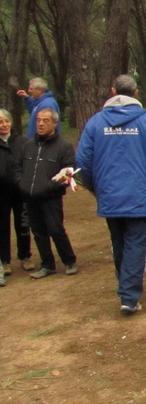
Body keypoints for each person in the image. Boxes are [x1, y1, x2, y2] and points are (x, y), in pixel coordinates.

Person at [76, 75, 146, 315]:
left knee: (118, 241)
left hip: (109, 193)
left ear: (112, 91)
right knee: (135, 243)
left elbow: (82, 162)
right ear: (136, 93)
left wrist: (93, 186)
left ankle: (126, 288)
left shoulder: (95, 123)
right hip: (139, 193)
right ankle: (129, 296)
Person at [14, 108, 77, 279]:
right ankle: (47, 265)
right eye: (38, 120)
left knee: (56, 229)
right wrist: (22, 183)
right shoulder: (28, 145)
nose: (40, 124)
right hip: (31, 197)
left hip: (51, 197)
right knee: (38, 232)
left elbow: (68, 171)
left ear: (55, 123)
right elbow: (18, 167)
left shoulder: (63, 147)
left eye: (45, 121)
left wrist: (49, 186)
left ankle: (69, 261)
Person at [0, 109, 35, 285]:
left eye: (7, 121)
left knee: (23, 225)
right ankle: (4, 261)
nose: (4, 125)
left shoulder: (23, 142)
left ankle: (25, 256)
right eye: (0, 122)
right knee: (2, 227)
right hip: (1, 194)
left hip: (20, 192)